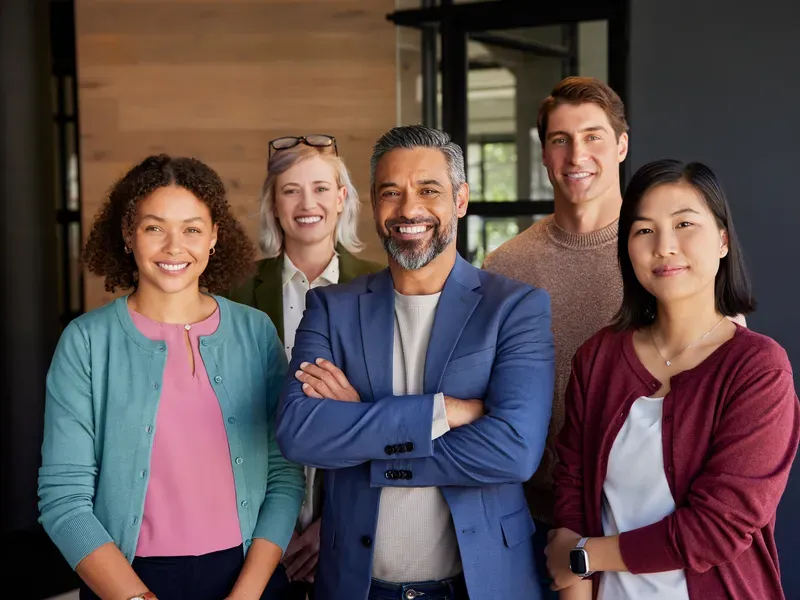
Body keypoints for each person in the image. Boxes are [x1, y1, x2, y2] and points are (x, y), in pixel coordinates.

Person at [482, 78, 745, 597]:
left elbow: (723, 364)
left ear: (622, 145)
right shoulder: (504, 266)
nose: (576, 154)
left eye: (594, 136)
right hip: (535, 517)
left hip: (660, 522)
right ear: (543, 153)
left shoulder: (668, 257)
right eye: (559, 139)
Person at [275, 124, 555, 600]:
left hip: (480, 584)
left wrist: (364, 426)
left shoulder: (514, 308)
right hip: (357, 587)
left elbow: (514, 451)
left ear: (461, 199)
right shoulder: (331, 307)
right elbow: (298, 433)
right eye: (392, 192)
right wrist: (440, 413)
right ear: (373, 202)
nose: (409, 209)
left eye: (429, 190)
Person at [38, 154, 305, 600]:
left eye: (192, 229)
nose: (174, 247)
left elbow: (284, 473)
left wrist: (248, 593)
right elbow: (64, 500)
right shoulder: (85, 341)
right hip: (128, 582)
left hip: (250, 578)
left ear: (215, 236)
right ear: (128, 234)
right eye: (154, 227)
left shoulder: (256, 332)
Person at [546, 159, 799, 600]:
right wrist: (577, 583)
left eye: (684, 224)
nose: (665, 246)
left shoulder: (758, 367)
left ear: (722, 240)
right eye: (644, 230)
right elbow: (572, 485)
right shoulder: (598, 357)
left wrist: (586, 556)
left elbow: (717, 528)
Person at [227, 134, 383, 596]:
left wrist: (331, 522)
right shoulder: (233, 293)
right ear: (274, 204)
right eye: (290, 190)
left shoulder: (383, 286)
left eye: (319, 187)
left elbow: (388, 414)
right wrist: (274, 531)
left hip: (356, 515)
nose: (306, 202)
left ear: (341, 199)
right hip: (253, 520)